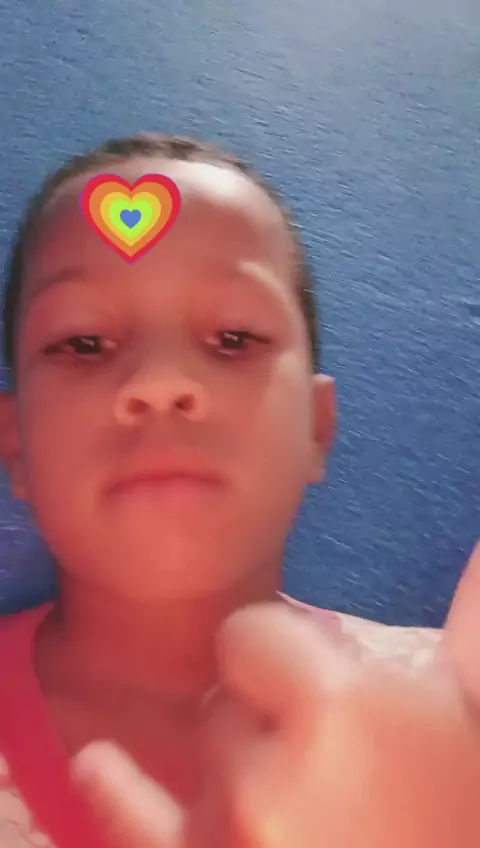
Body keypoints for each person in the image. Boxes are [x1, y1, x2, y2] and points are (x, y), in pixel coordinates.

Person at [0, 132, 477, 848]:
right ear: (15, 445)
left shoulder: (453, 711)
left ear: (316, 427)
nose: (160, 382)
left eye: (233, 338)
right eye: (83, 343)